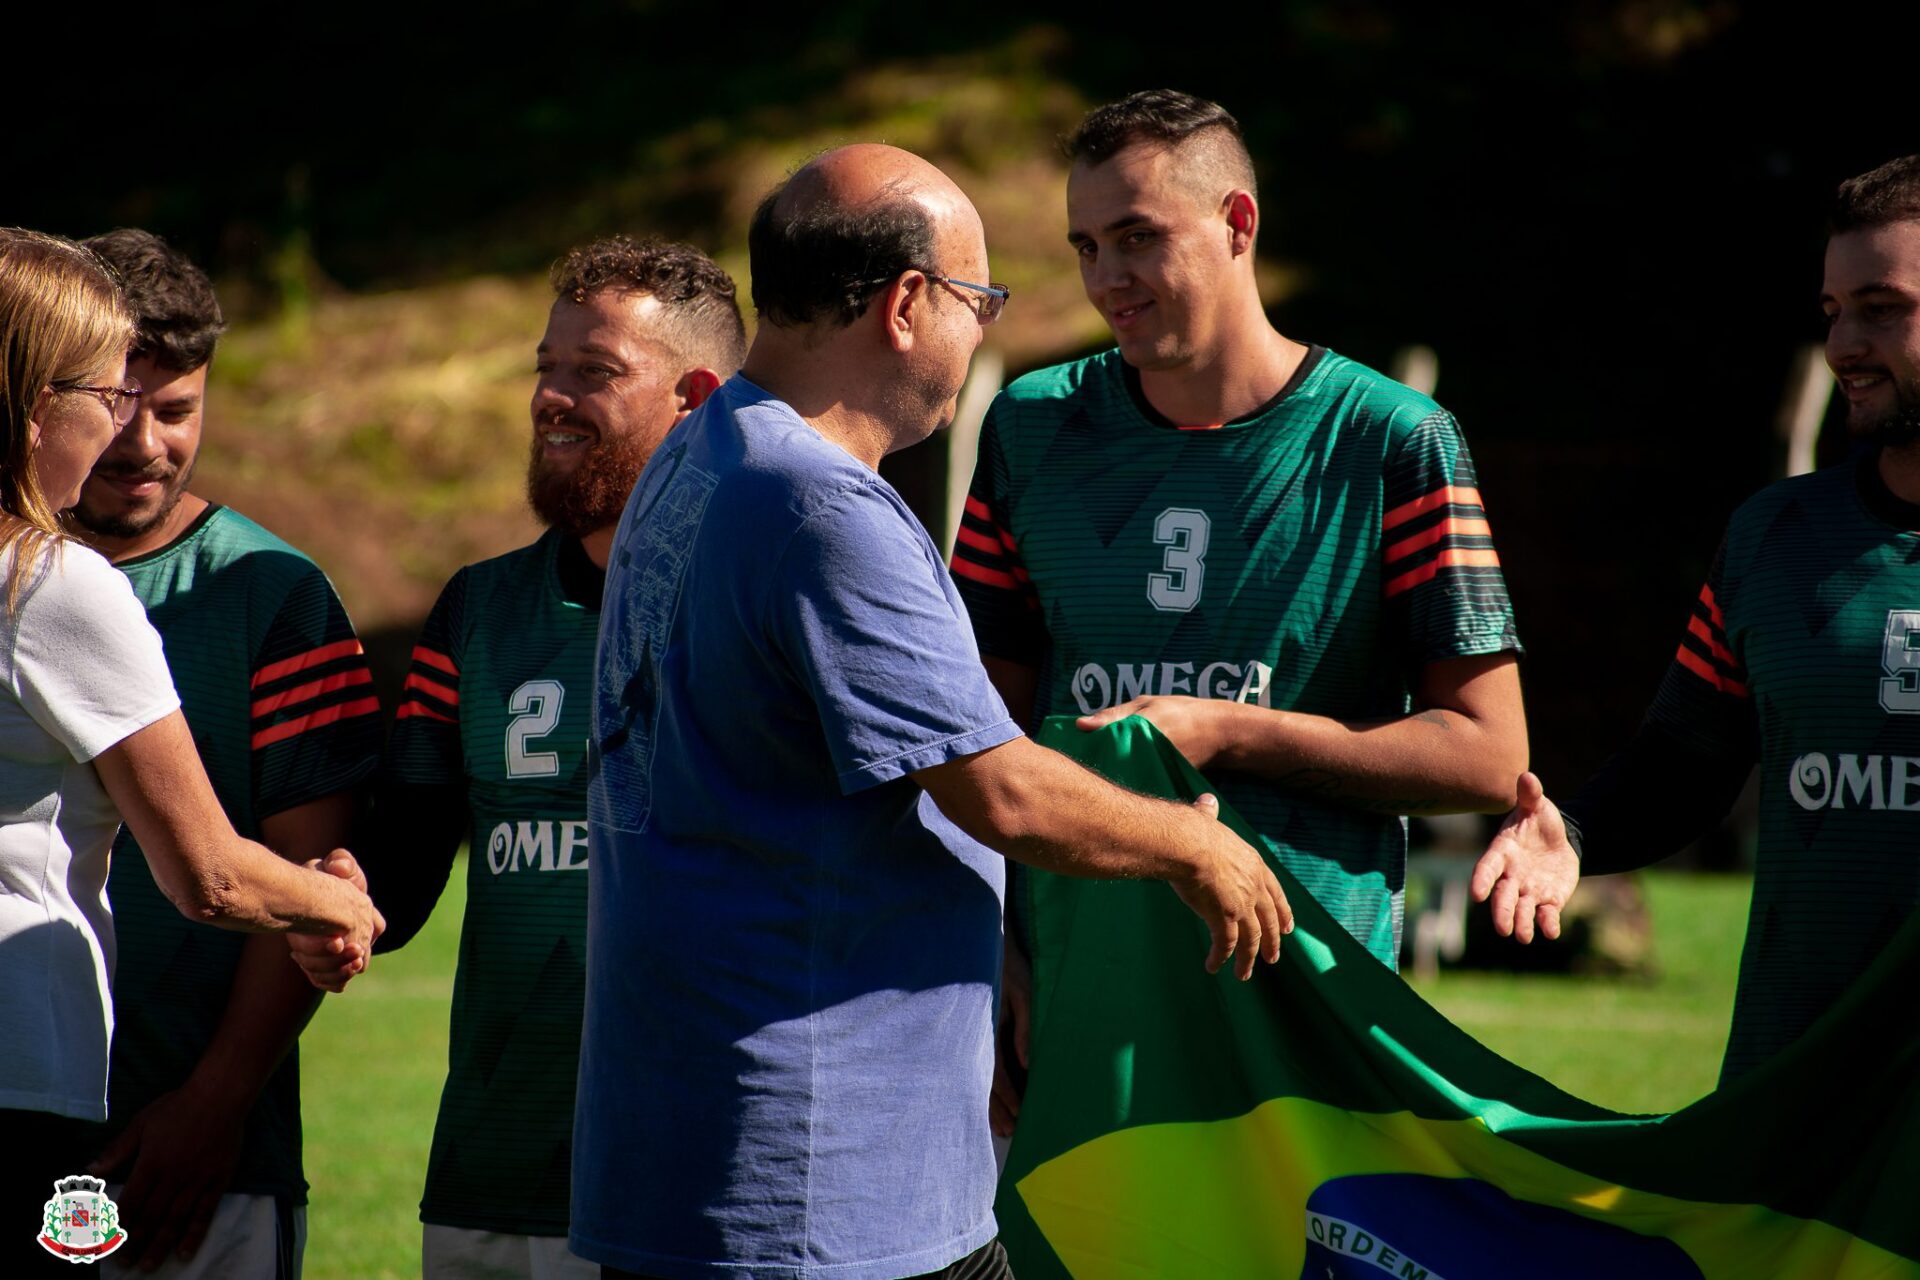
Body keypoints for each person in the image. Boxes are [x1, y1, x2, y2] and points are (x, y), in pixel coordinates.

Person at [575, 144, 1291, 1280]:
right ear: (910, 304)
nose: (981, 330)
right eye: (979, 299)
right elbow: (996, 785)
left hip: (702, 1155)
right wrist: (1192, 842)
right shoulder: (821, 504)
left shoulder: (697, 454)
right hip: (820, 1185)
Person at [947, 90, 1527, 1131]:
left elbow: (1487, 756)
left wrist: (1227, 731)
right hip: (1078, 993)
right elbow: (967, 735)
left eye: (1137, 238)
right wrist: (988, 948)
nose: (1105, 278)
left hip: (1306, 1003)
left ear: (1238, 224)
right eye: (1086, 245)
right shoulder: (1029, 428)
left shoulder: (1392, 439)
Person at [1473, 154, 1920, 1083]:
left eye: (1883, 307)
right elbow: (1687, 760)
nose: (1845, 345)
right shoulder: (1775, 536)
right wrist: (1578, 834)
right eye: (1834, 313)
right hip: (1792, 1104)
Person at [0, 229, 379, 1278]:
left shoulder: (269, 592)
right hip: (39, 1094)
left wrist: (214, 1101)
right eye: (112, 398)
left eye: (173, 407)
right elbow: (212, 871)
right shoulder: (58, 582)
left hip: (195, 1144)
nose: (135, 437)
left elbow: (303, 834)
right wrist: (337, 906)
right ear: (45, 399)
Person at [369, 235, 746, 1280]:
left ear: (696, 398)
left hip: (683, 1177)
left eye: (596, 372)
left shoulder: (763, 598)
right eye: (547, 366)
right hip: (489, 1160)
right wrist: (324, 889)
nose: (552, 396)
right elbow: (396, 874)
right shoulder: (479, 608)